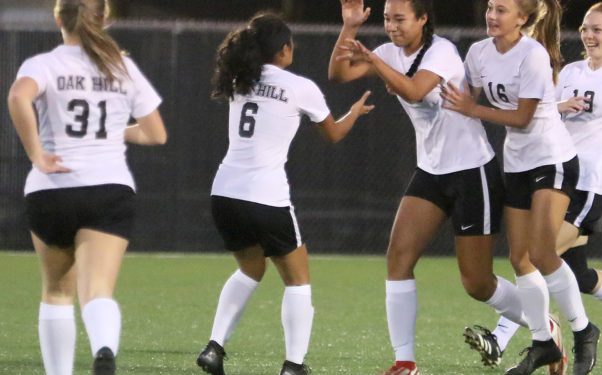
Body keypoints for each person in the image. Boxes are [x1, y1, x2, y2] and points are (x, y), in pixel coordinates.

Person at [328, 1, 563, 374]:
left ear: (423, 19)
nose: (391, 26)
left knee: (477, 283)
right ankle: (404, 362)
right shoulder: (388, 52)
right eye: (387, 18)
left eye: (400, 19)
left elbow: (415, 90)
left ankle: (543, 326)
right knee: (398, 259)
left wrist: (376, 63)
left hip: (472, 172)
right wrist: (350, 27)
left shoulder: (442, 51)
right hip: (431, 170)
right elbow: (339, 73)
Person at [194, 13, 374, 375]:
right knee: (298, 280)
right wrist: (353, 113)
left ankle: (214, 347)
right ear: (284, 48)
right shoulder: (299, 86)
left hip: (225, 192)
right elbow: (333, 135)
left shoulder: (239, 79)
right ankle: (293, 365)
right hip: (266, 195)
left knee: (250, 268)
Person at [480, 0, 602, 360]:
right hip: (555, 174)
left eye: (597, 29)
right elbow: (540, 114)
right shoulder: (570, 71)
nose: (588, 35)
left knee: (533, 257)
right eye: (586, 28)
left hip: (587, 184)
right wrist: (559, 107)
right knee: (577, 273)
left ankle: (501, 337)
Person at [6, 1, 167, 374]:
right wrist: (113, 132)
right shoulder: (121, 66)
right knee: (97, 290)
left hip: (52, 188)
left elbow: (18, 96)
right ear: (104, 18)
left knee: (57, 292)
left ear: (59, 17)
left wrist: (37, 154)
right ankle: (104, 348)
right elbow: (156, 133)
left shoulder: (42, 64)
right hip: (108, 188)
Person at [440, 0, 601, 374]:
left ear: (523, 19)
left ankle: (583, 330)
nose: (492, 16)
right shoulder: (479, 51)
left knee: (543, 253)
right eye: (491, 7)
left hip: (551, 157)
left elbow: (523, 117)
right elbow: (460, 95)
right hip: (516, 162)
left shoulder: (532, 55)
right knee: (519, 259)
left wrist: (470, 109)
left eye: (502, 10)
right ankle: (543, 342)